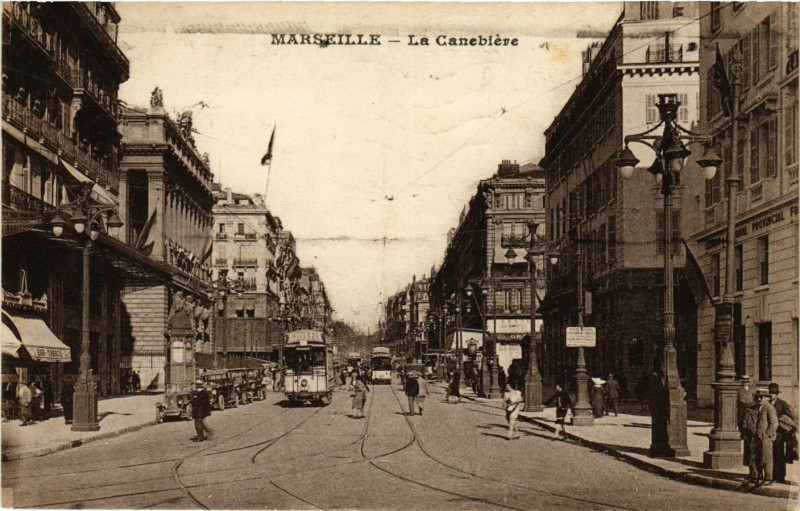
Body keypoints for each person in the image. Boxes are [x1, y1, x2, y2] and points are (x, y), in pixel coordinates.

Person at [768, 383, 797, 484]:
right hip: (769, 433)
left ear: (777, 394)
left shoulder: (782, 404)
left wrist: (781, 420)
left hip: (780, 434)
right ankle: (770, 475)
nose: (771, 395)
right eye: (770, 393)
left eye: (773, 393)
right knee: (769, 455)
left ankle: (780, 476)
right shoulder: (766, 404)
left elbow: (790, 418)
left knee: (779, 455)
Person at [751, 387, 779, 484]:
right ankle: (755, 476)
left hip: (765, 437)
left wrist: (768, 435)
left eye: (762, 397)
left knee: (766, 458)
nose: (759, 399)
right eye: (758, 397)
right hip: (757, 436)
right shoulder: (758, 407)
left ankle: (768, 478)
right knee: (755, 456)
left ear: (767, 398)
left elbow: (774, 423)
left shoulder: (769, 408)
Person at [737, 376, 756, 467]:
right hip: (742, 407)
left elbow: (754, 398)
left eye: (747, 381)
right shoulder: (739, 390)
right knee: (741, 420)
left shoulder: (752, 389)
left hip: (750, 407)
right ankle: (742, 432)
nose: (746, 383)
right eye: (744, 381)